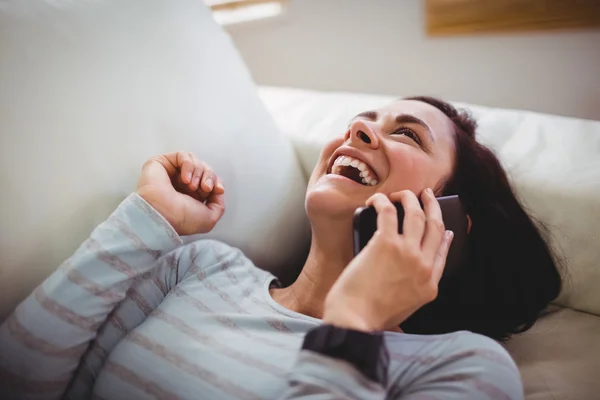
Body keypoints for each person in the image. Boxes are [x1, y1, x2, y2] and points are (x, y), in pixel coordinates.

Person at [0, 97, 562, 400]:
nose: (358, 134)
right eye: (360, 123)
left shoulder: (461, 365)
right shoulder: (199, 267)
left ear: (450, 221)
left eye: (407, 134)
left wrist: (357, 324)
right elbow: (19, 379)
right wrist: (149, 218)